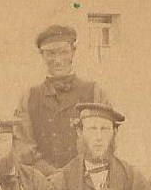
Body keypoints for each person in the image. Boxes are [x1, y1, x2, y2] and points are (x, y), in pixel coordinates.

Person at [14, 24, 115, 176]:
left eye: (63, 52)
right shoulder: (29, 97)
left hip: (85, 179)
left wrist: (73, 175)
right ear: (42, 55)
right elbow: (23, 146)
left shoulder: (95, 92)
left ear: (73, 52)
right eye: (50, 54)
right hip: (42, 181)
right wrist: (51, 175)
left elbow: (105, 140)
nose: (57, 60)